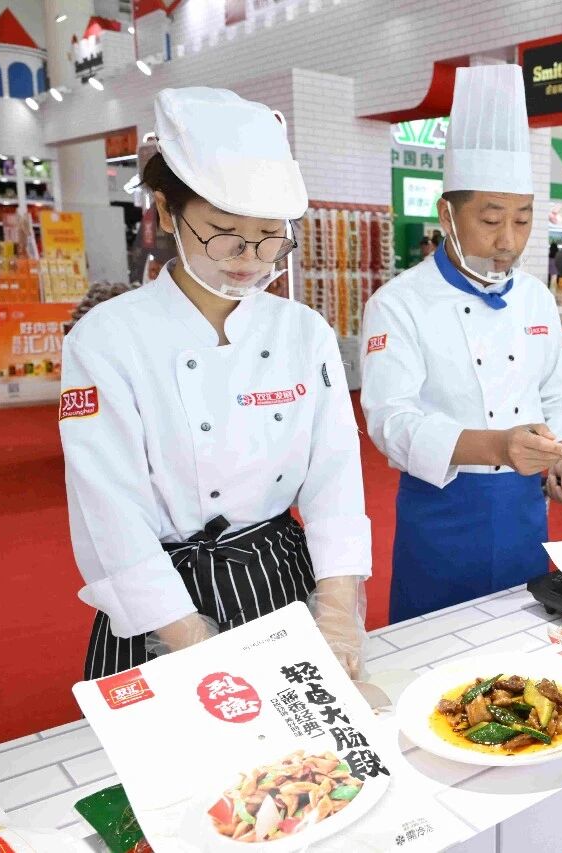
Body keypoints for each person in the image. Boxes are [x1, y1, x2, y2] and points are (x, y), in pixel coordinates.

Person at [59, 88, 370, 680]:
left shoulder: (303, 331)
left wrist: (336, 610)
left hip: (280, 576)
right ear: (165, 211)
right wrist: (189, 638)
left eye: (270, 235)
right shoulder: (108, 338)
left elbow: (335, 479)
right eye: (223, 232)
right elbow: (110, 508)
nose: (249, 256)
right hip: (160, 600)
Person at [360, 65, 562, 622]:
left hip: (523, 511)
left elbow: (556, 394)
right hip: (443, 513)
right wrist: (496, 447)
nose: (508, 241)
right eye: (490, 220)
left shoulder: (534, 297)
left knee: (523, 644)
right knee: (435, 651)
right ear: (447, 214)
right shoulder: (399, 302)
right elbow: (391, 422)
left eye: (523, 220)